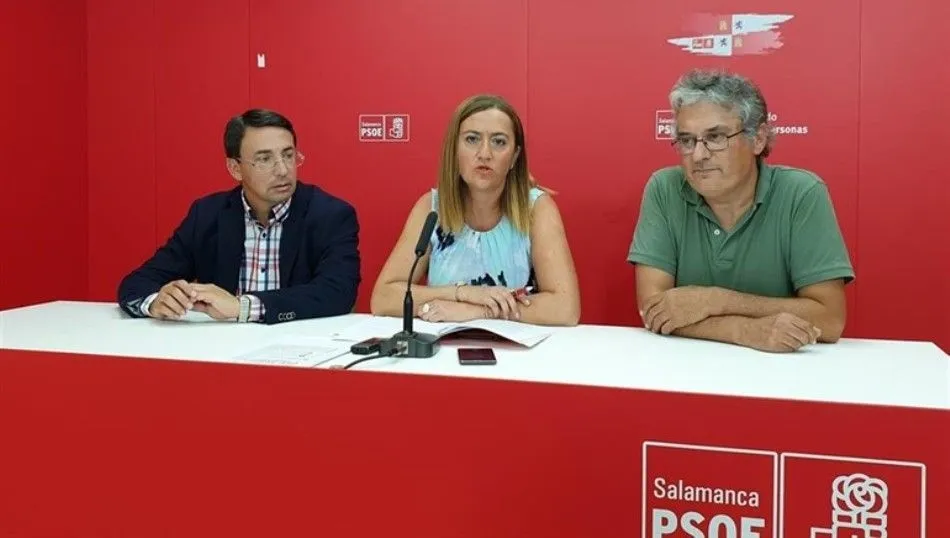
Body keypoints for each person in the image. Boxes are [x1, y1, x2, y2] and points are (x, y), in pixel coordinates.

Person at [628, 69, 855, 352]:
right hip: (683, 365)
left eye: (716, 137)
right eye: (687, 140)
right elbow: (653, 310)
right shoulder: (664, 188)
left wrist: (716, 301)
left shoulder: (802, 193)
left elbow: (830, 319)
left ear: (758, 139)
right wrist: (744, 330)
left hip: (783, 369)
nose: (698, 155)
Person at [117, 109, 360, 324]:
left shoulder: (330, 215)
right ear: (235, 168)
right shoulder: (207, 215)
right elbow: (138, 283)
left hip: (299, 347)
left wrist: (243, 307)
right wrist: (156, 302)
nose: (283, 170)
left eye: (288, 155)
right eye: (264, 159)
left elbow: (337, 292)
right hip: (223, 349)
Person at [370, 94, 580, 326]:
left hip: (515, 348)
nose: (484, 153)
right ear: (454, 150)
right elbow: (383, 298)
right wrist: (463, 293)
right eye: (472, 139)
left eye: (499, 142)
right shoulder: (431, 208)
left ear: (514, 156)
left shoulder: (537, 209)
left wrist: (477, 311)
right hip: (443, 346)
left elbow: (565, 308)